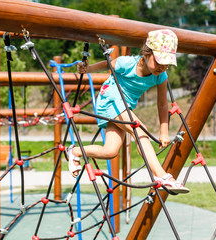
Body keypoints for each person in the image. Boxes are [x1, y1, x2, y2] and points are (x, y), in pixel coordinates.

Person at [68, 29, 189, 194]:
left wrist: (164, 131)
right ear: (146, 54)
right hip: (109, 100)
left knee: (110, 151)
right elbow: (107, 64)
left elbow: (162, 104)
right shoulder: (127, 63)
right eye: (160, 60)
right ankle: (161, 175)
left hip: (124, 107)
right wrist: (87, 69)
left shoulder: (161, 76)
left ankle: (75, 151)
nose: (163, 66)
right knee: (140, 130)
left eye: (167, 63)